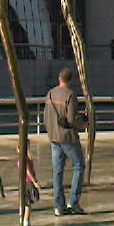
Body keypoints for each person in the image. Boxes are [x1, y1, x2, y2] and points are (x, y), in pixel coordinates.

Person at [43, 67, 86, 216]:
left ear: (59, 79)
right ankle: (73, 202)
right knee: (79, 166)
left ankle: (58, 206)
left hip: (54, 138)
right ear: (70, 80)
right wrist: (83, 124)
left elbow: (45, 118)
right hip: (68, 138)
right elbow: (71, 119)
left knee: (57, 172)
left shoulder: (50, 94)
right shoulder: (70, 95)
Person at [15, 144, 38, 226]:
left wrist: (35, 182)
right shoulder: (27, 159)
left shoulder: (23, 160)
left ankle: (25, 222)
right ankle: (24, 221)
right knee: (26, 203)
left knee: (26, 203)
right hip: (27, 182)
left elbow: (28, 171)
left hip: (26, 183)